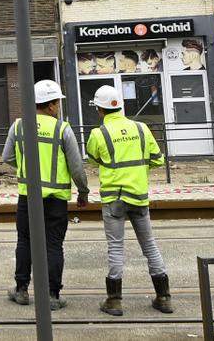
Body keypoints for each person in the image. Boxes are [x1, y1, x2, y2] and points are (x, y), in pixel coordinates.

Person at [2, 79, 90, 310]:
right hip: (56, 200)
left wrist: (26, 167)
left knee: (25, 241)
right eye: (58, 103)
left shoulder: (19, 126)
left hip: (27, 197)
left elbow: (7, 157)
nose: (59, 107)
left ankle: (21, 290)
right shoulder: (62, 129)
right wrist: (83, 192)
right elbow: (77, 167)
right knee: (53, 245)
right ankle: (52, 295)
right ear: (49, 105)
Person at [85, 84, 173, 316]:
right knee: (150, 246)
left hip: (114, 198)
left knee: (115, 247)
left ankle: (114, 301)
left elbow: (94, 160)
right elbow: (157, 160)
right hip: (138, 196)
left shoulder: (98, 134)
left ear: (99, 110)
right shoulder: (142, 128)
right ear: (120, 106)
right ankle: (163, 297)